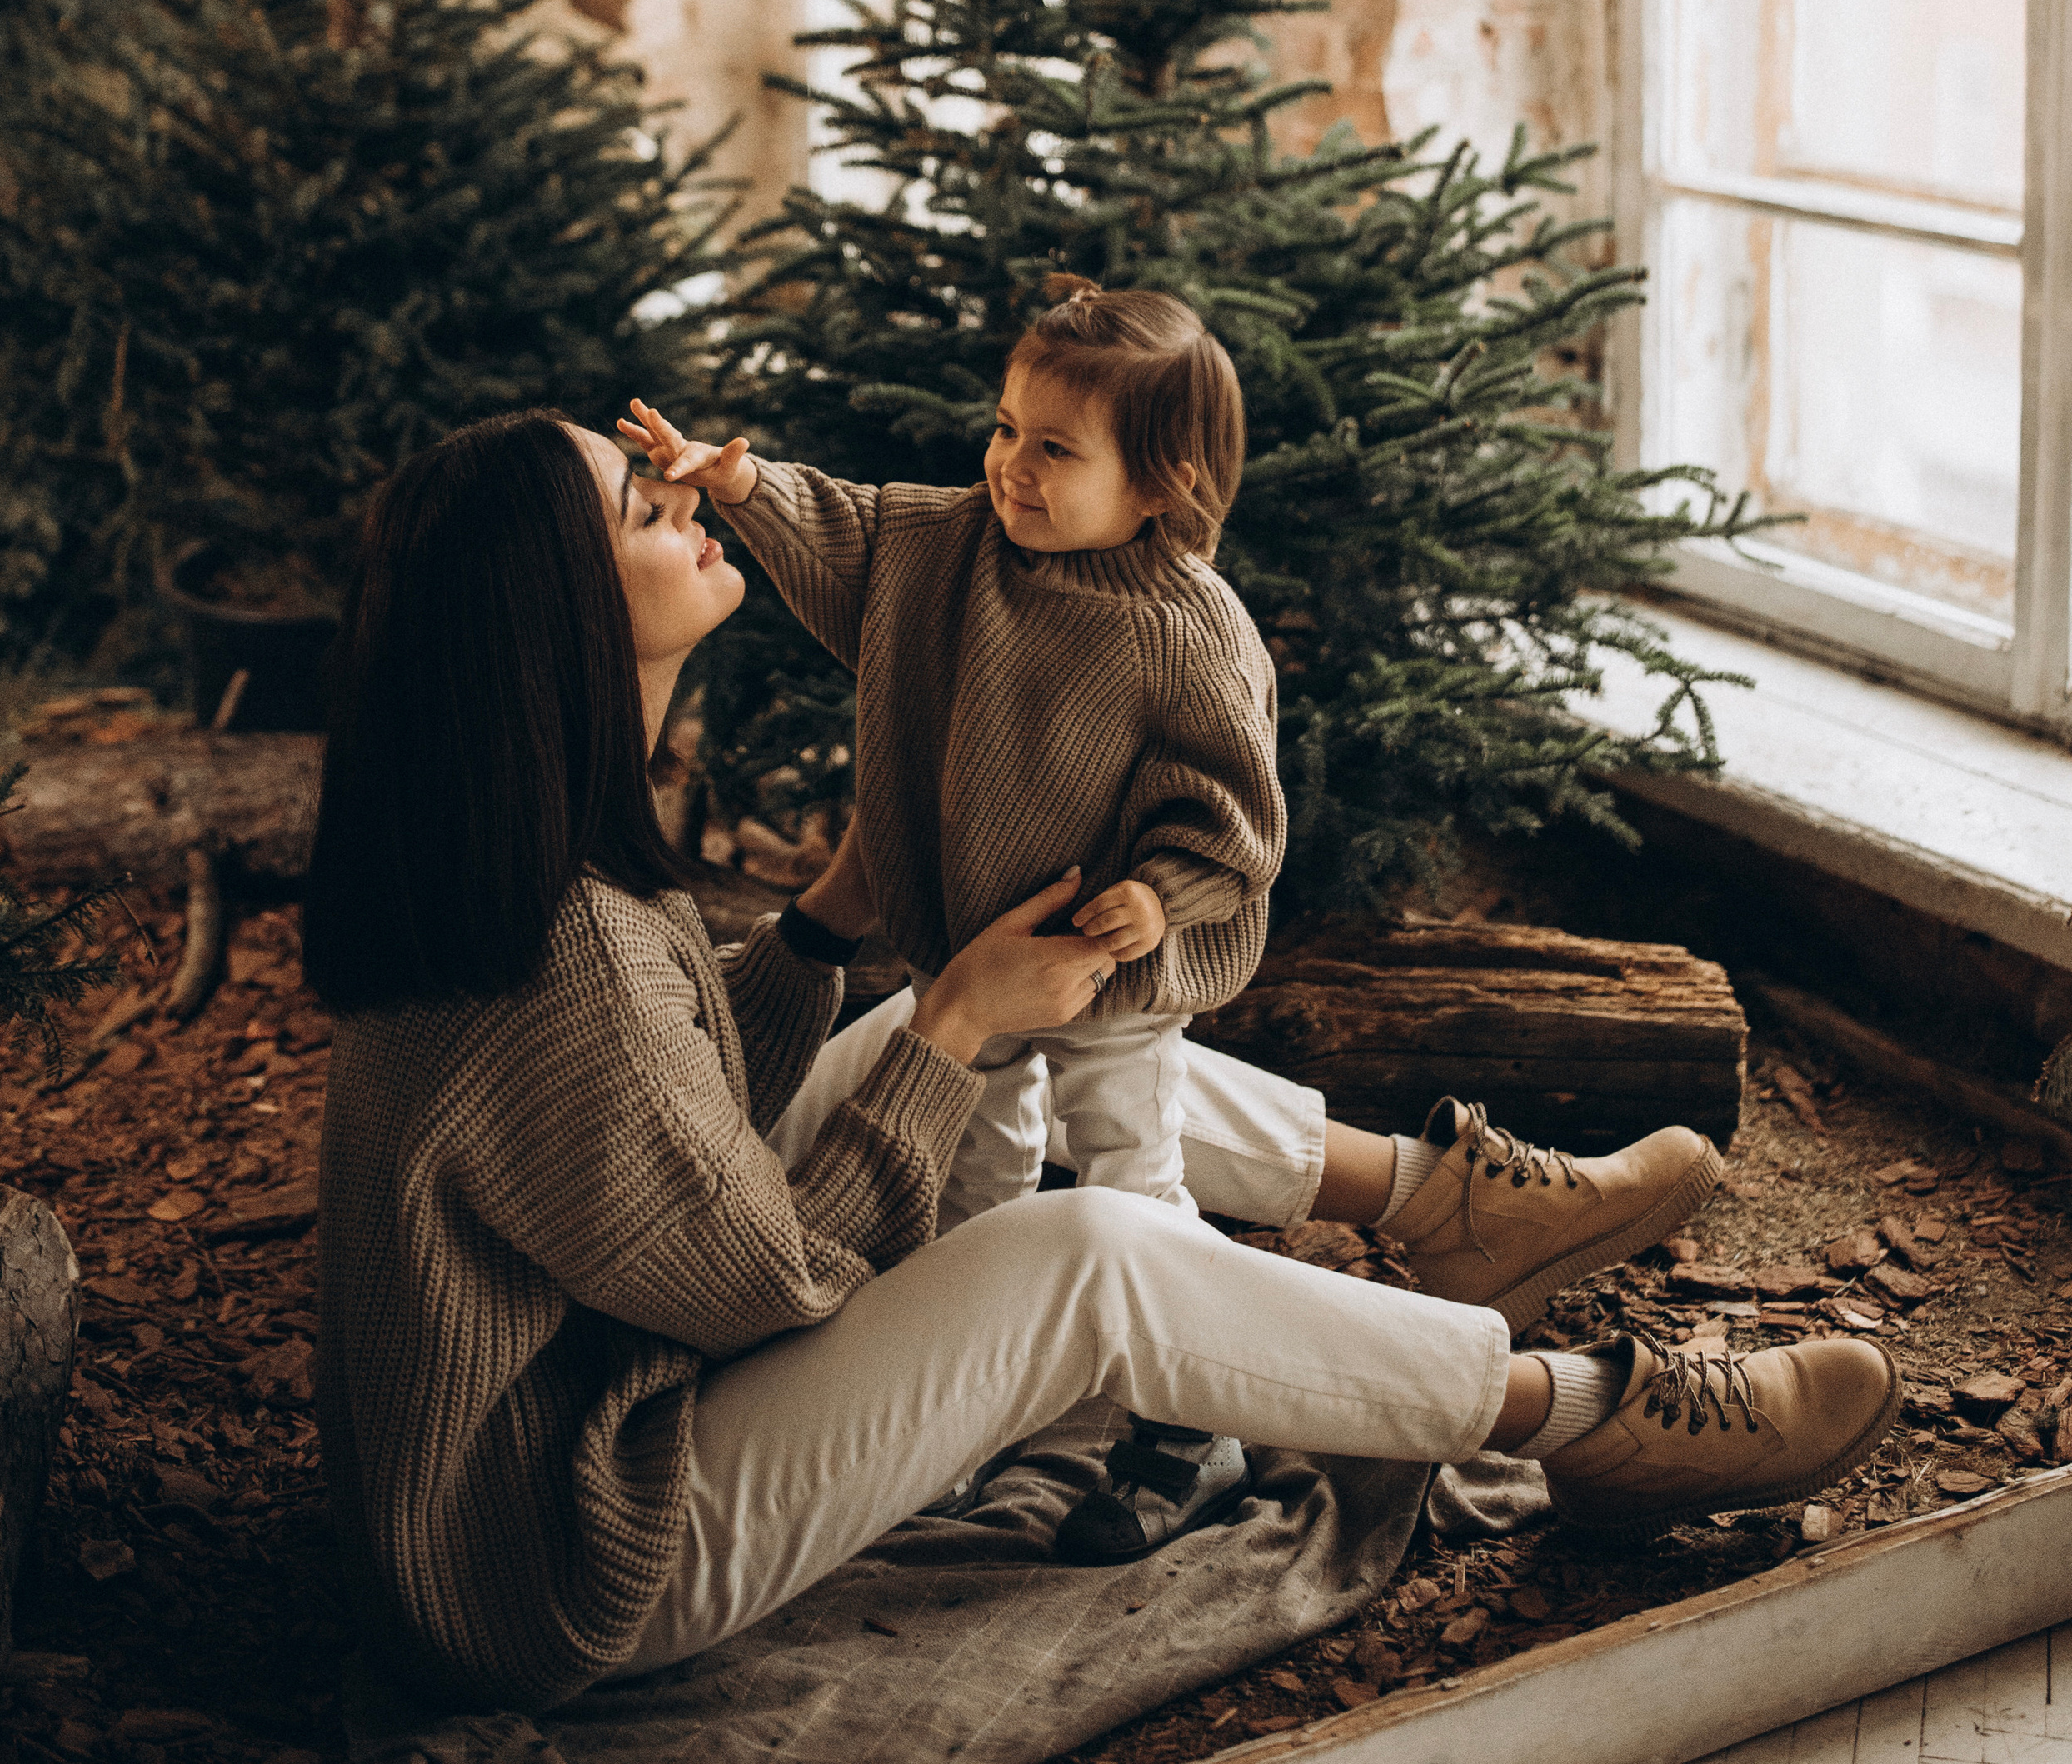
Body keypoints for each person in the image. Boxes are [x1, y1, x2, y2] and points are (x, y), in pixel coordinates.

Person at [306, 410, 1902, 1719]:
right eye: (640, 506)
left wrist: (827, 924)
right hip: (572, 1551)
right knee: (1087, 1251)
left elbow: (669, 1113)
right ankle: (1580, 1418)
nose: (684, 493)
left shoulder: (518, 865)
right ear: (558, 620)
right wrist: (951, 1023)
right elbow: (769, 1282)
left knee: (991, 1024)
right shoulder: (562, 945)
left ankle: (1439, 1202)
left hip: (601, 1395)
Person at [620, 279, 1724, 1559]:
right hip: (966, 965)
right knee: (970, 1184)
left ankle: (1186, 1428)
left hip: (1106, 978)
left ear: (1161, 483)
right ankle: (958, 1417)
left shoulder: (1182, 629)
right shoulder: (952, 546)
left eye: (1055, 447)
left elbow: (1235, 812)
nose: (1010, 465)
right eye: (1005, 427)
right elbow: (855, 532)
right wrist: (746, 487)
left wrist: (1160, 894)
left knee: (1132, 1182)